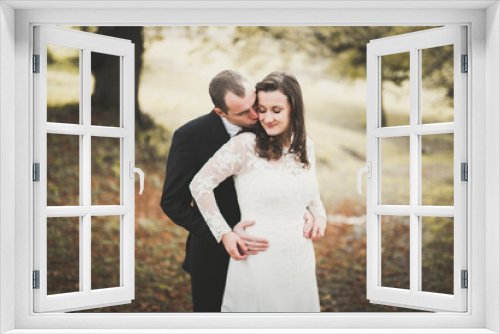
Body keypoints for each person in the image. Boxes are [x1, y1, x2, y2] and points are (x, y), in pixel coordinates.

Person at [189, 71, 327, 312]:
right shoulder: (244, 146)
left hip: (299, 258)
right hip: (259, 259)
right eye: (262, 109)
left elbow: (310, 191)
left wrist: (320, 216)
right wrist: (225, 233)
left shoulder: (305, 143)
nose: (267, 118)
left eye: (276, 110)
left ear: (294, 108)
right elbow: (199, 185)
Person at [160, 70, 270, 312]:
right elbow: (172, 202)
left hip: (265, 249)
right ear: (220, 112)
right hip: (213, 256)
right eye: (243, 112)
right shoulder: (189, 136)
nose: (255, 115)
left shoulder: (269, 126)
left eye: (254, 105)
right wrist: (222, 234)